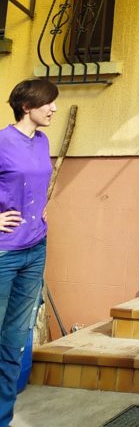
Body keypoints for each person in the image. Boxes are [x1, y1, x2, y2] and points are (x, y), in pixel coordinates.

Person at [0, 79, 58, 427]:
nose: (54, 108)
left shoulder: (42, 141)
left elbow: (35, 182)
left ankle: (2, 418)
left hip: (35, 249)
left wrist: (41, 207)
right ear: (26, 106)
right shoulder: (2, 141)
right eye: (48, 102)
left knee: (14, 341)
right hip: (4, 254)